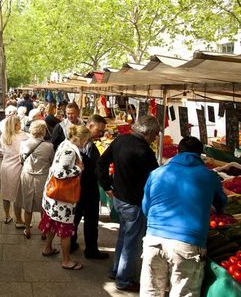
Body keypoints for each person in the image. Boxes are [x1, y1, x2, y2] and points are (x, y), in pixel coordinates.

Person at [140, 136, 227, 296]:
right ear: (200, 154)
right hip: (187, 244)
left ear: (178, 152)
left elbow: (145, 207)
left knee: (150, 291)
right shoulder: (209, 176)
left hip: (154, 240)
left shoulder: (156, 173)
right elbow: (221, 204)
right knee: (182, 292)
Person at [96, 115, 160, 292]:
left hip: (119, 198)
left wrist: (106, 184)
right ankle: (124, 279)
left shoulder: (120, 140)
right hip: (134, 201)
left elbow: (101, 162)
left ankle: (116, 270)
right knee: (131, 242)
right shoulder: (144, 151)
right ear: (149, 133)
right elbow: (156, 178)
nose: (155, 138)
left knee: (124, 237)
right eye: (155, 135)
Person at [39, 125, 91, 270]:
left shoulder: (65, 143)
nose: (86, 143)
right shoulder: (70, 150)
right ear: (80, 138)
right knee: (65, 230)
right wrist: (78, 169)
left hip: (53, 196)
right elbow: (60, 173)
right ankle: (66, 260)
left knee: (52, 221)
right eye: (86, 140)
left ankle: (47, 248)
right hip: (62, 199)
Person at [71, 114, 109, 259]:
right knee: (90, 220)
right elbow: (95, 170)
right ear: (90, 126)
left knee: (76, 218)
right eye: (99, 130)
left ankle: (72, 243)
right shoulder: (89, 146)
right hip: (87, 189)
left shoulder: (78, 142)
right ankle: (90, 249)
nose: (100, 134)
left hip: (78, 188)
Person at [18, 120, 54, 238]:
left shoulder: (24, 144)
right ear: (44, 131)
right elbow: (51, 162)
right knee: (44, 206)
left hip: (27, 176)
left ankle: (27, 229)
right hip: (43, 177)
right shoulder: (49, 147)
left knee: (28, 205)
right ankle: (44, 232)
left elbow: (20, 160)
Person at [0, 115, 29, 227]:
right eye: (19, 123)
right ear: (16, 125)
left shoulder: (3, 136)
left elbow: (0, 150)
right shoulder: (23, 136)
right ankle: (19, 220)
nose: (21, 124)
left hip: (5, 166)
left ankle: (7, 216)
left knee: (6, 194)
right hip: (17, 167)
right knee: (17, 195)